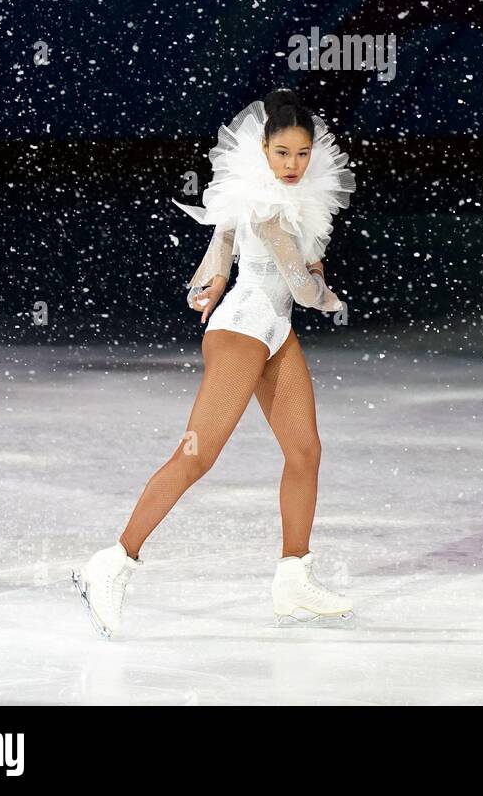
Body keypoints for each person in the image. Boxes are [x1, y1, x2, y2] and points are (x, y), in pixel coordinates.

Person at [71, 88, 356, 637]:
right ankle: (112, 562)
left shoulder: (306, 201)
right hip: (244, 330)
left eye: (301, 154)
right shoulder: (264, 202)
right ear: (263, 150)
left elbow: (223, 245)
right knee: (198, 455)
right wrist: (328, 298)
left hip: (275, 333)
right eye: (282, 154)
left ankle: (293, 573)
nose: (292, 165)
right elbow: (299, 286)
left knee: (304, 451)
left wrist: (210, 281)